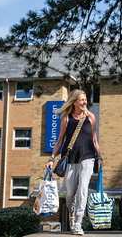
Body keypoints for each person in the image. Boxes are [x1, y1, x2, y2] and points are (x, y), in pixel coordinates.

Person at [46, 89, 102, 235]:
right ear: (74, 102)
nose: (85, 102)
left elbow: (94, 139)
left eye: (85, 99)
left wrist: (100, 156)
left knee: (83, 190)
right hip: (70, 158)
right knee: (70, 193)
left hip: (88, 157)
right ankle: (72, 214)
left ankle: (78, 223)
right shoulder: (66, 118)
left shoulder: (91, 117)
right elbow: (60, 140)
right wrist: (52, 158)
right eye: (82, 100)